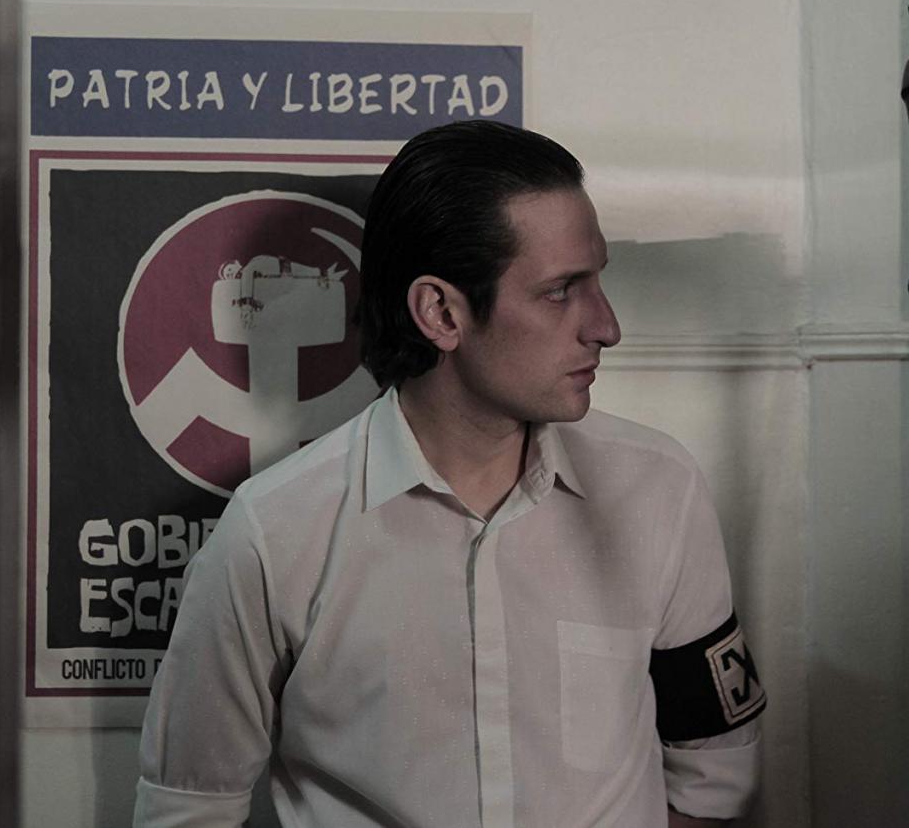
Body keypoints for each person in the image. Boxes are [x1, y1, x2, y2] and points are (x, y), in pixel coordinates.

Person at [134, 120, 765, 827]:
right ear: (440, 311)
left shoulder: (657, 489)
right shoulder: (273, 532)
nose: (606, 326)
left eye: (598, 280)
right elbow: (189, 810)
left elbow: (714, 776)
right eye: (562, 290)